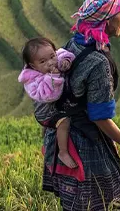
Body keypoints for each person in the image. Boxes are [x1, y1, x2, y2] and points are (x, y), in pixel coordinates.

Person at [41, 0, 120, 211]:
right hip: (84, 140)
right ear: (108, 20)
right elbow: (100, 117)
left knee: (74, 207)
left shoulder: (74, 44)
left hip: (62, 135)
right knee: (103, 202)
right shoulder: (98, 62)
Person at [18, 37, 78, 168]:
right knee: (64, 121)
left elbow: (64, 53)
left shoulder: (56, 57)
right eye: (43, 61)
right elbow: (50, 97)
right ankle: (63, 152)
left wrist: (65, 61)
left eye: (52, 56)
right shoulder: (32, 80)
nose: (50, 62)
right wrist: (54, 77)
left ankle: (48, 140)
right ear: (33, 66)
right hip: (45, 113)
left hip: (54, 107)